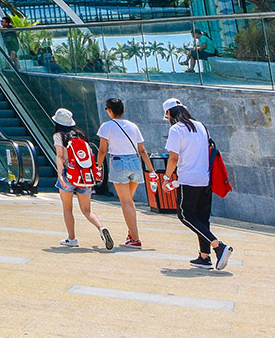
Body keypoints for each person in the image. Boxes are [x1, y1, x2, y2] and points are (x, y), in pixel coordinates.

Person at [163, 98, 232, 271]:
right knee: (202, 218)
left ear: (169, 113)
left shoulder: (176, 129)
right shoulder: (201, 126)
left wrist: (166, 178)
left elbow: (173, 158)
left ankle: (218, 246)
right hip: (206, 179)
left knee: (185, 215)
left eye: (166, 116)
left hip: (188, 179)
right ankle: (204, 257)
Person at [96, 98, 152, 249]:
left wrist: (98, 166)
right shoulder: (133, 126)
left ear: (109, 110)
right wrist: (151, 170)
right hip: (135, 162)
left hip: (119, 163)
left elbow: (102, 150)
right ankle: (131, 235)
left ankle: (135, 239)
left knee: (126, 202)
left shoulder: (107, 126)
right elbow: (142, 150)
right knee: (129, 201)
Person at [53, 108, 111, 250]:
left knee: (67, 208)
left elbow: (60, 156)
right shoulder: (80, 135)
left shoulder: (59, 136)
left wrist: (60, 175)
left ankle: (72, 239)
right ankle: (101, 228)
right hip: (85, 175)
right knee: (87, 210)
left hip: (68, 174)